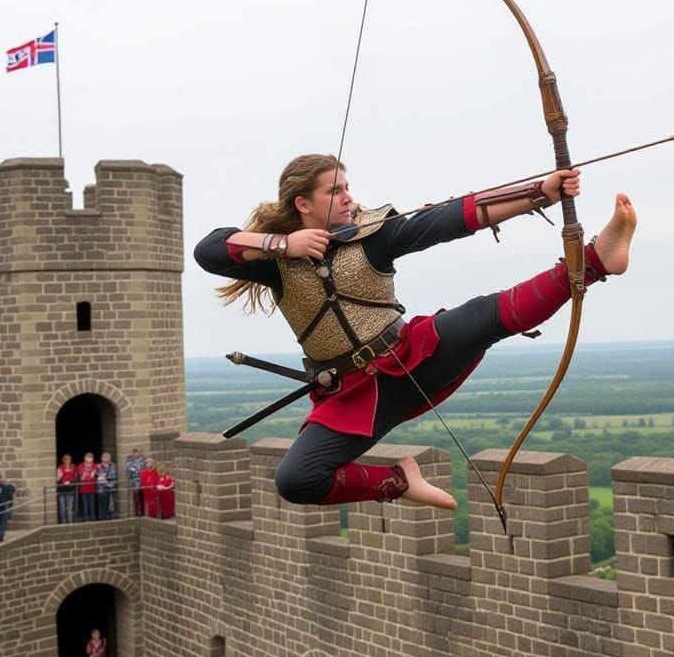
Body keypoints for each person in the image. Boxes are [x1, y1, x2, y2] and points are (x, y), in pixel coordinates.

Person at [194, 154, 635, 510]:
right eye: (335, 190)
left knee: (484, 317)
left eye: (347, 186)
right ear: (303, 205)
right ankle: (399, 482)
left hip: (412, 358)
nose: (348, 197)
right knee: (296, 480)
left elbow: (447, 219)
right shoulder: (276, 262)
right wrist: (282, 245)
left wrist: (539, 192)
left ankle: (594, 260)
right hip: (351, 397)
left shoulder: (372, 235)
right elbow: (208, 249)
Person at [76, 452, 99, 521]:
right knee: (85, 506)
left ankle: (93, 520)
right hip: (83, 489)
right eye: (88, 457)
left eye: (91, 457)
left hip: (92, 488)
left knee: (92, 506)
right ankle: (86, 521)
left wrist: (92, 477)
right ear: (85, 458)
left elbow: (97, 476)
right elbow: (80, 478)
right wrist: (85, 476)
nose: (89, 459)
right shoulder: (80, 466)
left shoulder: (95, 466)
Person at [125, 448, 147, 517]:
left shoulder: (143, 461)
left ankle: (143, 513)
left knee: (142, 498)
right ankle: (137, 512)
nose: (137, 454)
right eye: (135, 452)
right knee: (136, 499)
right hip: (134, 482)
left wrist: (137, 470)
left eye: (138, 452)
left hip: (142, 482)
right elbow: (128, 471)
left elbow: (144, 470)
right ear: (133, 453)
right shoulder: (129, 462)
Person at [96, 452, 118, 521]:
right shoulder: (99, 467)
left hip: (111, 489)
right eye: (104, 457)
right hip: (102, 489)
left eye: (107, 457)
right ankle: (102, 520)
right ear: (102, 459)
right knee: (102, 506)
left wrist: (112, 484)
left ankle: (111, 519)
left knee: (111, 506)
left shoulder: (113, 465)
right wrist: (107, 484)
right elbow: (100, 478)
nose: (106, 459)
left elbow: (114, 476)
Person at [56, 454, 77, 524]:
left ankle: (70, 522)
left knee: (70, 508)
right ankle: (63, 523)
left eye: (68, 459)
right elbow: (58, 479)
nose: (67, 461)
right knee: (62, 508)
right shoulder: (60, 467)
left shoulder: (73, 466)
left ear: (70, 460)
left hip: (70, 489)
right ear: (62, 460)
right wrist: (61, 479)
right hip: (61, 489)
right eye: (65, 459)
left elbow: (75, 477)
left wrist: (70, 481)